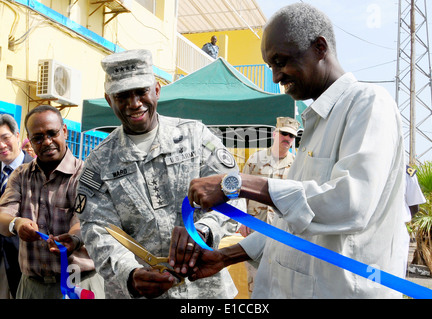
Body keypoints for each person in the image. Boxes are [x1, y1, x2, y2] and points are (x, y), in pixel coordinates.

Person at [187, 3, 408, 299]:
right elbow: (293, 220)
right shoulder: (317, 122)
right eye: (270, 66)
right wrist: (228, 257)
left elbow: (351, 202)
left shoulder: (368, 104)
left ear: (319, 47)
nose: (276, 77)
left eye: (281, 61)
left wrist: (238, 183)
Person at [76, 49, 244, 299]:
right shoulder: (98, 164)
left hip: (205, 292)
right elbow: (96, 230)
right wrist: (129, 275)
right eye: (122, 96)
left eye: (141, 91)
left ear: (156, 90)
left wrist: (204, 230)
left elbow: (234, 192)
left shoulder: (195, 137)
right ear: (109, 100)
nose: (134, 103)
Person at [0, 105, 104, 299]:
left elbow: (85, 220)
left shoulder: (86, 174)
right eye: (38, 138)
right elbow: (2, 216)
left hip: (79, 285)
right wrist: (16, 224)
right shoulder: (20, 176)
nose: (47, 142)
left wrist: (73, 239)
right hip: (32, 287)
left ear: (64, 131)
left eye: (52, 133)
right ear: (29, 140)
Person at [239, 116, 299, 296]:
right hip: (255, 228)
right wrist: (242, 221)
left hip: (281, 231)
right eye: (284, 134)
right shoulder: (256, 159)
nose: (287, 139)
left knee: (280, 280)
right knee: (255, 279)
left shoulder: (295, 164)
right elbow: (240, 192)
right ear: (275, 134)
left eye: (291, 136)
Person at [0, 114, 34, 299]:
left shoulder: (35, 170)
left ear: (17, 136)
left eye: (5, 137)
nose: (1, 145)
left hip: (24, 261)